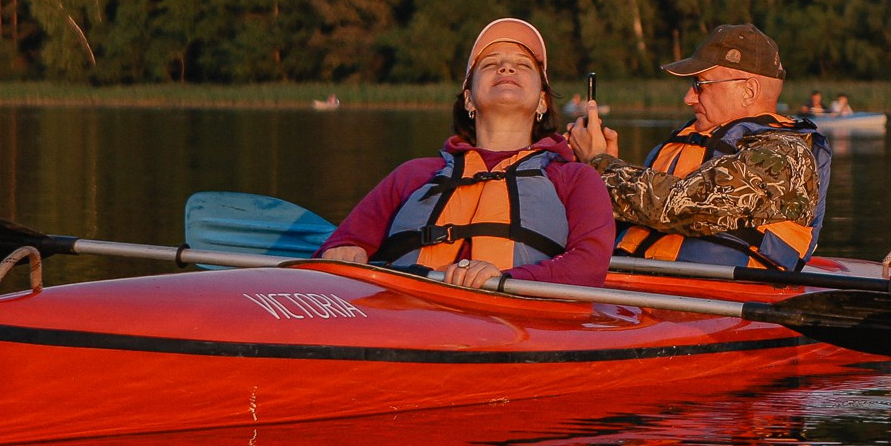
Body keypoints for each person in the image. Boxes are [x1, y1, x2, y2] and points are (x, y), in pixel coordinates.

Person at [318, 18, 615, 288]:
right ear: (469, 100)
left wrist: (505, 279)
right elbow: (341, 243)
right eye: (490, 64)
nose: (506, 68)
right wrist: (345, 250)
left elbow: (589, 265)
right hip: (406, 309)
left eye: (523, 65)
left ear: (542, 102)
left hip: (516, 316)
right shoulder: (413, 174)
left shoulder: (574, 178)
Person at [567, 23, 830, 271]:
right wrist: (595, 174)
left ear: (748, 91)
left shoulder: (785, 157)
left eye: (699, 85)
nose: (688, 98)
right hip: (643, 291)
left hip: (722, 303)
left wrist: (598, 164)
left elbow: (680, 205)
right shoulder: (684, 141)